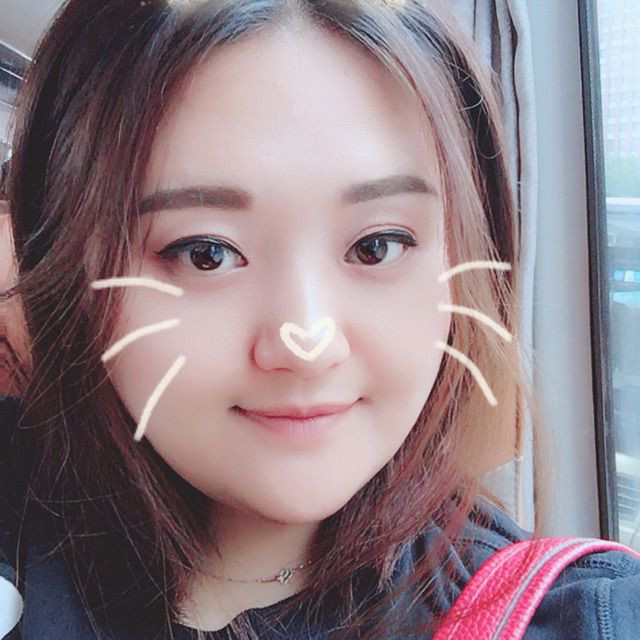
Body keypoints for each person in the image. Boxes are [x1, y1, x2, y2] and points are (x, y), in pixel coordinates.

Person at [0, 0, 638, 638]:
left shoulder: (581, 617)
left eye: (377, 246)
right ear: (66, 271)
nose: (308, 342)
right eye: (206, 253)